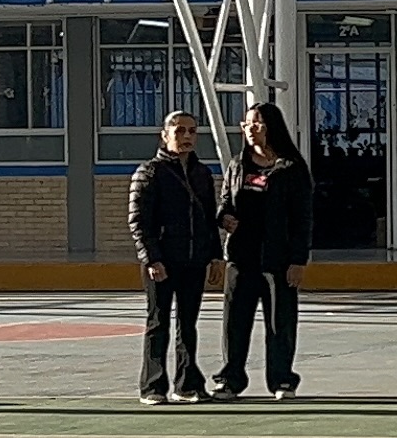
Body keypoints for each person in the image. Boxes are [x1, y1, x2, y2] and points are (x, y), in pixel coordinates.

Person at [216, 102, 312, 401]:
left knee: (279, 322)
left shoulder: (291, 169)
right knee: (235, 322)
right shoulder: (237, 165)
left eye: (257, 123)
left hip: (277, 259)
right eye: (247, 124)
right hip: (241, 258)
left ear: (272, 127)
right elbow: (224, 201)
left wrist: (298, 259)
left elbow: (302, 218)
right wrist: (223, 217)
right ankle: (230, 380)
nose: (250, 129)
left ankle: (282, 380)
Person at [131, 110, 222, 405]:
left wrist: (215, 256)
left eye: (192, 131)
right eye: (179, 130)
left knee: (188, 324)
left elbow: (209, 218)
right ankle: (153, 386)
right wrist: (151, 259)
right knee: (158, 323)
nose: (186, 137)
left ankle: (187, 384)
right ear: (165, 135)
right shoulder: (149, 173)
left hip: (194, 260)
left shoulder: (202, 174)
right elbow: (139, 222)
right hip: (162, 261)